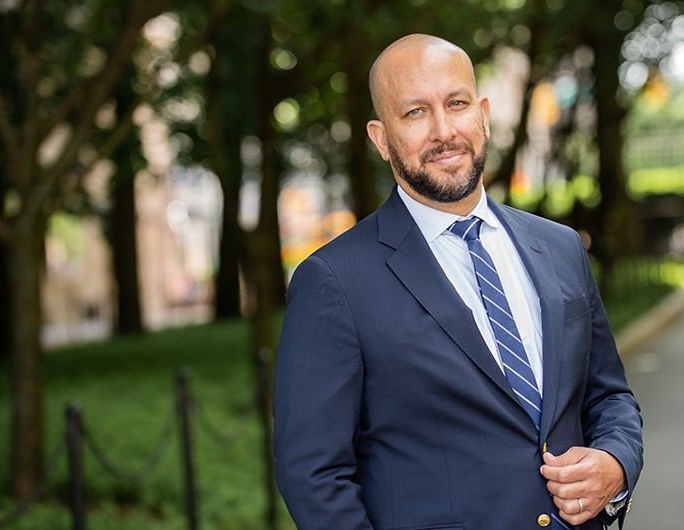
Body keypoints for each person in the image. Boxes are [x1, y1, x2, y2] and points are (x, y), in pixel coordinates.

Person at [273, 34, 643, 530]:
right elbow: (313, 475)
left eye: (456, 103)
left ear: (483, 114)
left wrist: (615, 464)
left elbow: (609, 395)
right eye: (415, 113)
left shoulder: (560, 247)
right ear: (381, 139)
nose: (444, 130)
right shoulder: (333, 281)